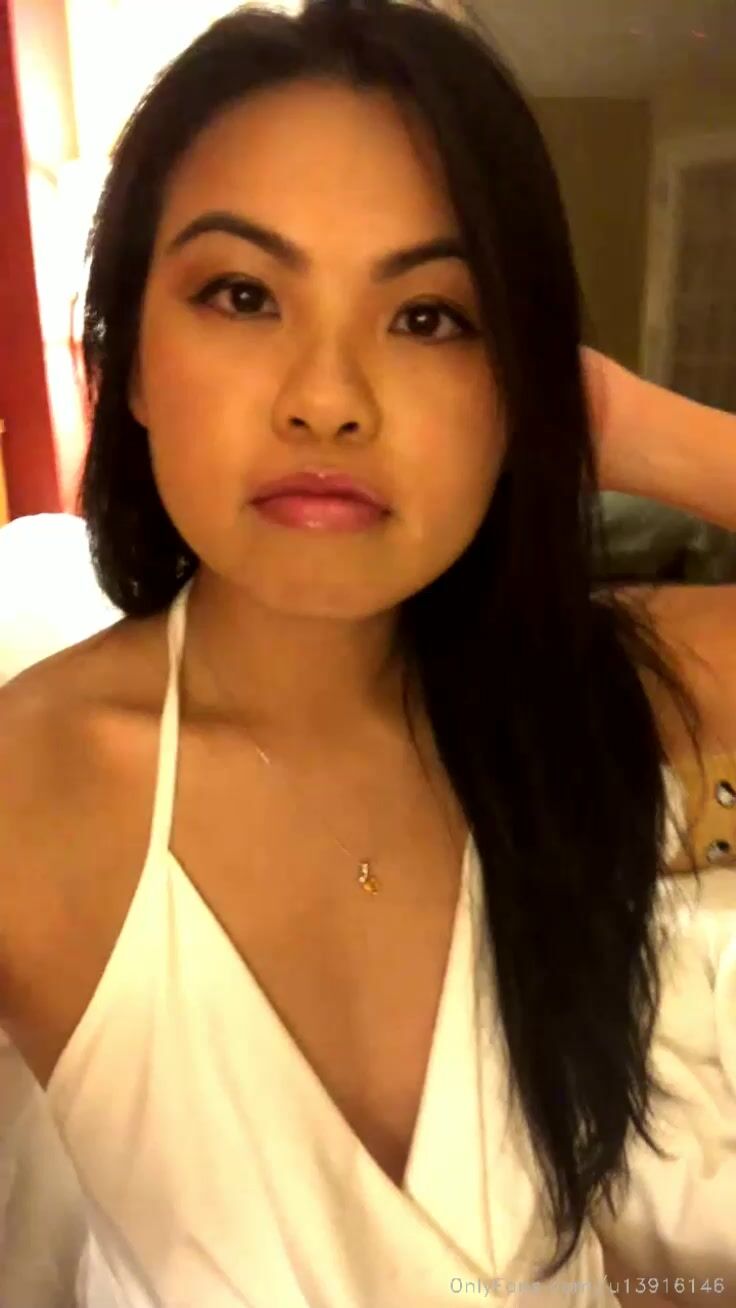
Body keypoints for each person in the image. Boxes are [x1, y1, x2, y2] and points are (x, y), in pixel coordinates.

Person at [0, 0, 733, 1303]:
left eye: (431, 316)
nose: (330, 398)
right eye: (243, 295)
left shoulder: (582, 695)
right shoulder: (33, 788)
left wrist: (611, 420)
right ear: (134, 363)